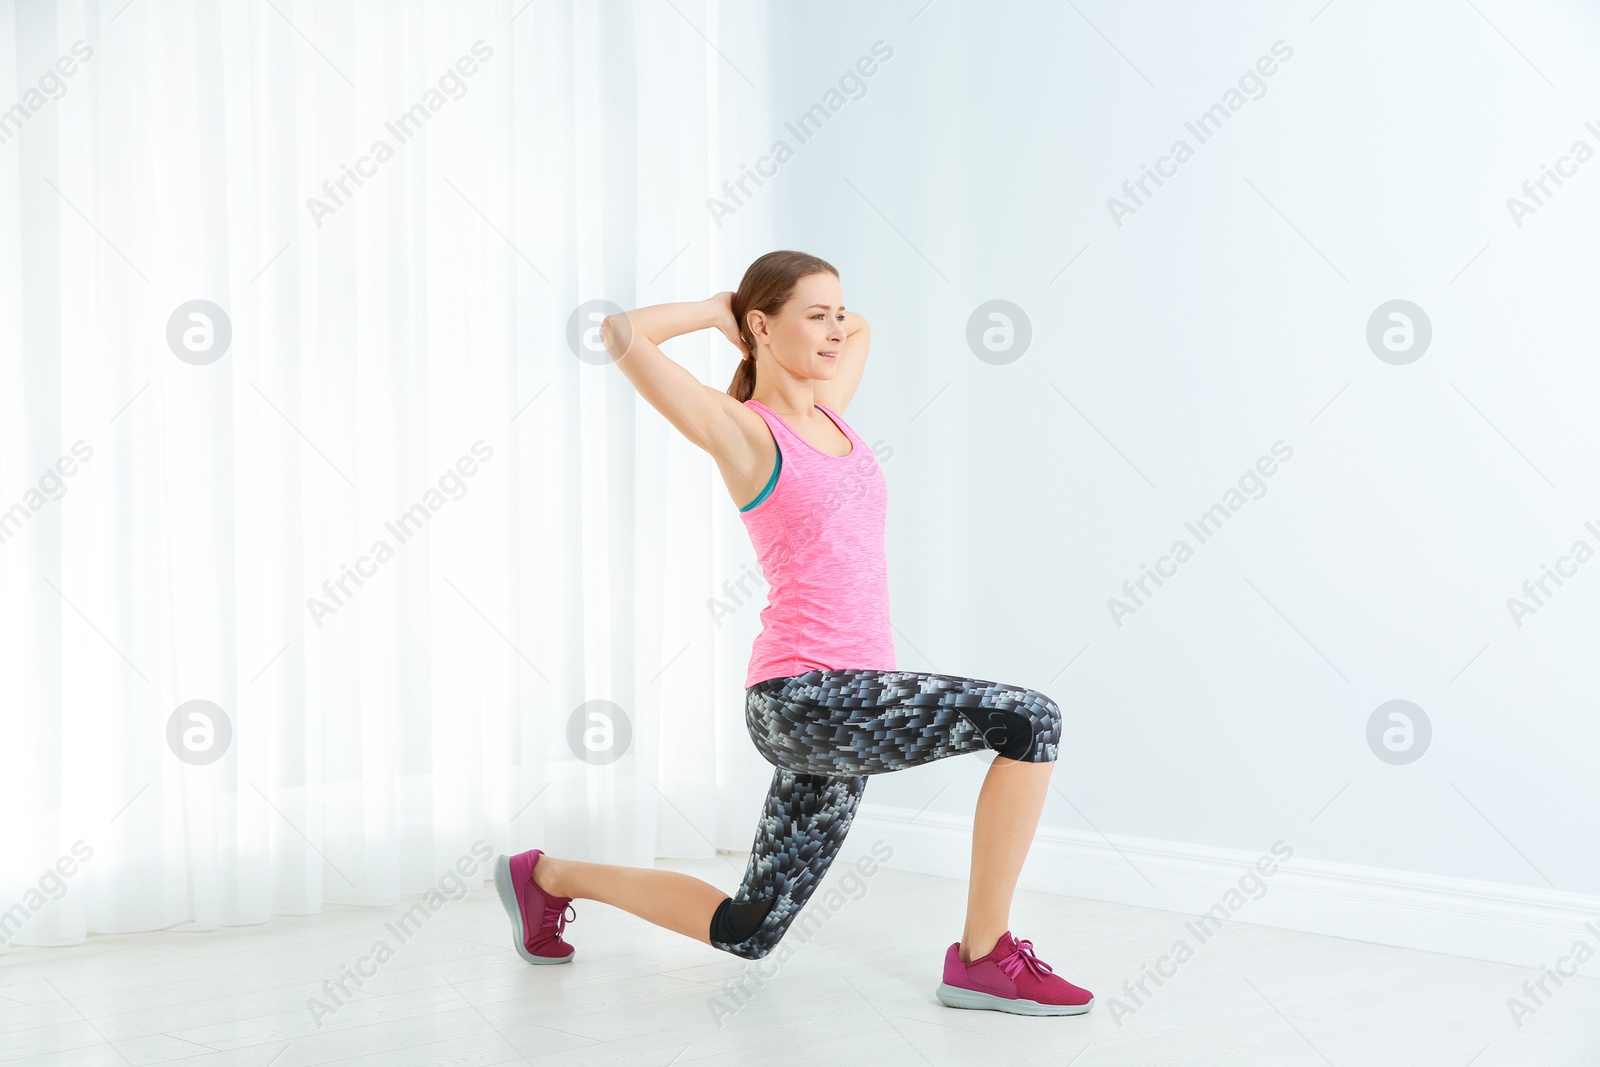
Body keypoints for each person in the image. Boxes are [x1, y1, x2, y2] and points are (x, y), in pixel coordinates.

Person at [493, 250, 1093, 1016]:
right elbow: (621, 333)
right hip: (804, 694)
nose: (838, 329)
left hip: (852, 703)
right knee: (1029, 718)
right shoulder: (746, 431)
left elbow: (863, 328)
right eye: (816, 315)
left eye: (836, 312)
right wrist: (721, 312)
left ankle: (545, 876)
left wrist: (808, 322)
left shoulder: (830, 408)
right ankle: (984, 956)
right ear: (760, 328)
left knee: (750, 927)